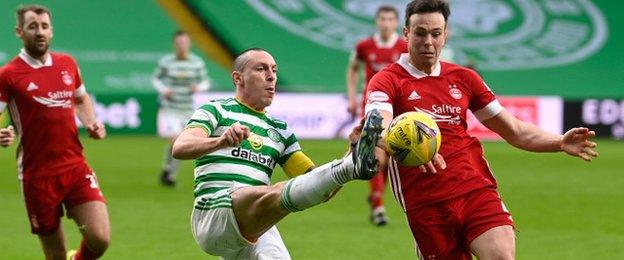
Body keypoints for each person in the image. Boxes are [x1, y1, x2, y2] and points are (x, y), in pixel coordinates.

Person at [363, 0, 599, 259]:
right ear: (406, 33)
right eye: (420, 33)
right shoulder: (386, 81)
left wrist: (559, 142)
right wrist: (408, 145)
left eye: (436, 33)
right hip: (426, 204)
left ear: (446, 34)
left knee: (501, 256)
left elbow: (515, 130)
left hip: (474, 189)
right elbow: (379, 127)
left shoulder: (464, 78)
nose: (428, 41)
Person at [172, 48, 383, 259]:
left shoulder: (280, 131)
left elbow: (321, 188)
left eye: (274, 70)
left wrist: (351, 150)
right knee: (275, 192)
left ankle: (351, 163)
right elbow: (180, 147)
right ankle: (350, 167)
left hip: (255, 223)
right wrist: (221, 141)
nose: (271, 76)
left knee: (285, 194)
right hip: (213, 214)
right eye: (261, 69)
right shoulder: (217, 110)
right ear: (238, 78)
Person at [0, 5, 111, 260]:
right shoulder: (8, 75)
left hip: (74, 166)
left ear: (51, 31)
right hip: (37, 175)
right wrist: (3, 134)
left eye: (44, 26)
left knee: (100, 238)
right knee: (55, 254)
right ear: (19, 31)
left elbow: (81, 99)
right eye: (32, 26)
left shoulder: (67, 64)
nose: (39, 32)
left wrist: (92, 123)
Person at [345, 5, 407, 226]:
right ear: (377, 21)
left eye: (390, 19)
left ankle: (377, 195)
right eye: (382, 19)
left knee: (392, 154)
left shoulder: (405, 47)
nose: (386, 23)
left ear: (396, 22)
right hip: (372, 105)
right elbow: (352, 68)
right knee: (374, 150)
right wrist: (352, 97)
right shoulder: (364, 46)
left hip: (399, 106)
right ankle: (379, 205)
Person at [152, 30, 210, 186]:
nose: (181, 45)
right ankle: (168, 172)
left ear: (189, 44)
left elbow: (205, 82)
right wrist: (163, 89)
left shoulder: (197, 62)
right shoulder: (166, 62)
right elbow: (156, 79)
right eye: (179, 43)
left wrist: (199, 88)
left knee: (181, 142)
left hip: (189, 109)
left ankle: (168, 172)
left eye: (184, 42)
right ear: (174, 44)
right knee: (176, 140)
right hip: (171, 108)